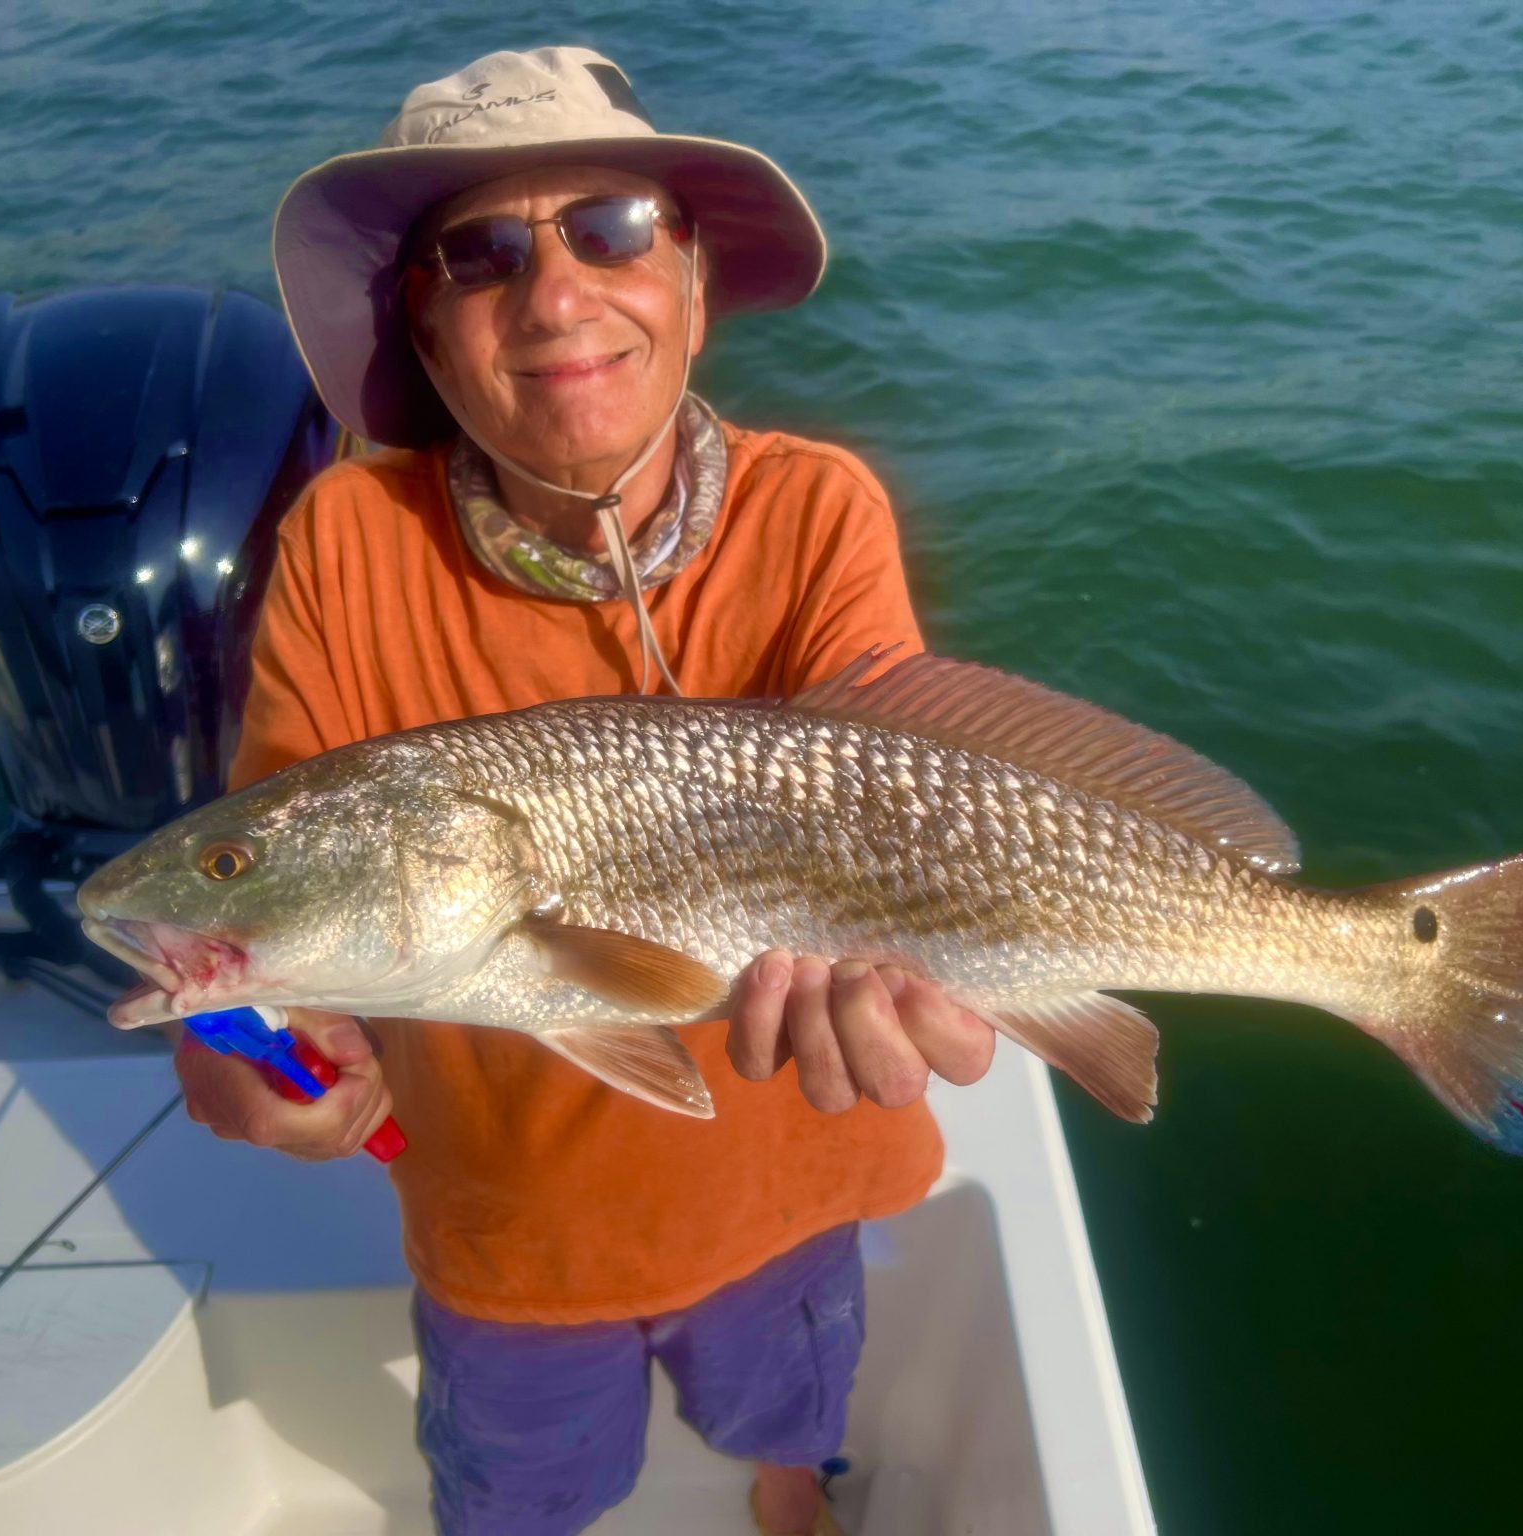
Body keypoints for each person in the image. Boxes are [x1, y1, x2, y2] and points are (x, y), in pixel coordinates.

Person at [171, 46, 995, 1536]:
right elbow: (235, 955)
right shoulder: (343, 545)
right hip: (504, 1237)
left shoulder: (818, 509)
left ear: (693, 284)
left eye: (610, 229)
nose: (553, 298)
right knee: (517, 1497)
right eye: (477, 256)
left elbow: (911, 797)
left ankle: (787, 1485)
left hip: (793, 1185)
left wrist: (948, 967)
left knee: (790, 1417)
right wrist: (280, 1079)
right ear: (419, 329)